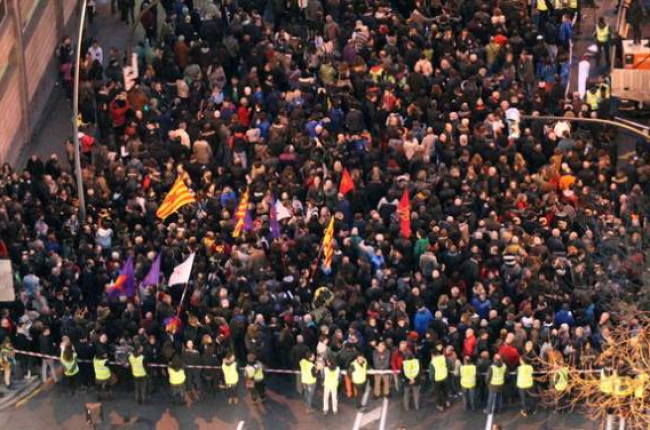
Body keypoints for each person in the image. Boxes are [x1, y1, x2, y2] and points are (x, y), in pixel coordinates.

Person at [430, 343, 451, 411]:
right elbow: (448, 366)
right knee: (445, 391)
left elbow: (432, 374)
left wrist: (432, 380)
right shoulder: (443, 358)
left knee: (438, 393)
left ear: (433, 355)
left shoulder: (432, 362)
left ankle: (440, 405)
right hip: (445, 377)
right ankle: (447, 402)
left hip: (437, 380)